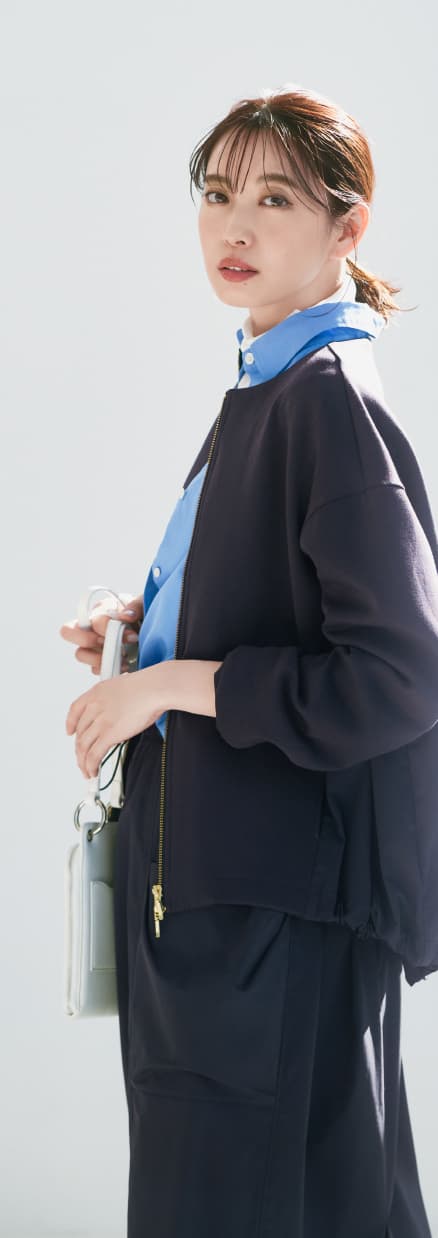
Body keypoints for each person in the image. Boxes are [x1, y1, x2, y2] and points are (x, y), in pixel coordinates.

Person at [60, 84, 438, 1238]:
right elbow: (286, 611)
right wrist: (147, 628)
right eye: (218, 193)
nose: (235, 224)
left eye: (275, 198)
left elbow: (399, 674)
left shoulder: (328, 399)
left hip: (274, 917)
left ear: (346, 226)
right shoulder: (267, 385)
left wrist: (167, 684)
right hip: (219, 899)